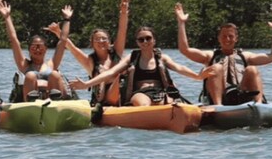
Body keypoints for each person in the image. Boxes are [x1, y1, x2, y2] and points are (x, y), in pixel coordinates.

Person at [71, 26, 215, 106]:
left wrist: (198, 76)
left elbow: (180, 68)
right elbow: (110, 73)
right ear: (137, 42)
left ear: (154, 40)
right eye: (141, 39)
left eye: (148, 38)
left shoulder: (162, 57)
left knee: (173, 104)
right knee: (143, 105)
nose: (145, 41)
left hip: (160, 93)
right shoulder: (132, 58)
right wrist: (86, 84)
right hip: (140, 94)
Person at [175, 3, 272, 105]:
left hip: (241, 93)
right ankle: (218, 105)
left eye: (230, 36)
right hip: (220, 96)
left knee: (252, 69)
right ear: (218, 38)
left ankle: (259, 104)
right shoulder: (210, 56)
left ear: (236, 38)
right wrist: (181, 23)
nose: (227, 39)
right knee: (216, 68)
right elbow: (185, 50)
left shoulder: (245, 56)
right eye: (224, 36)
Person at [63, 0, 131, 105]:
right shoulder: (90, 61)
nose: (101, 41)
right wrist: (59, 30)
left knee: (126, 70)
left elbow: (122, 30)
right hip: (102, 102)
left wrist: (123, 11)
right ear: (92, 43)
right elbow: (71, 47)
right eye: (97, 39)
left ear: (109, 42)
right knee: (103, 72)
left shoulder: (117, 52)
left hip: (120, 96)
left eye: (104, 38)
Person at [0, 0, 73, 101]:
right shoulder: (24, 65)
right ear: (29, 49)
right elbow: (14, 40)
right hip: (33, 103)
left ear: (46, 49)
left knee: (55, 74)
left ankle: (57, 102)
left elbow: (63, 40)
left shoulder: (52, 64)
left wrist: (67, 19)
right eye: (34, 47)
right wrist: (7, 17)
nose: (37, 50)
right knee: (30, 76)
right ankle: (33, 103)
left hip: (53, 101)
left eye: (40, 47)